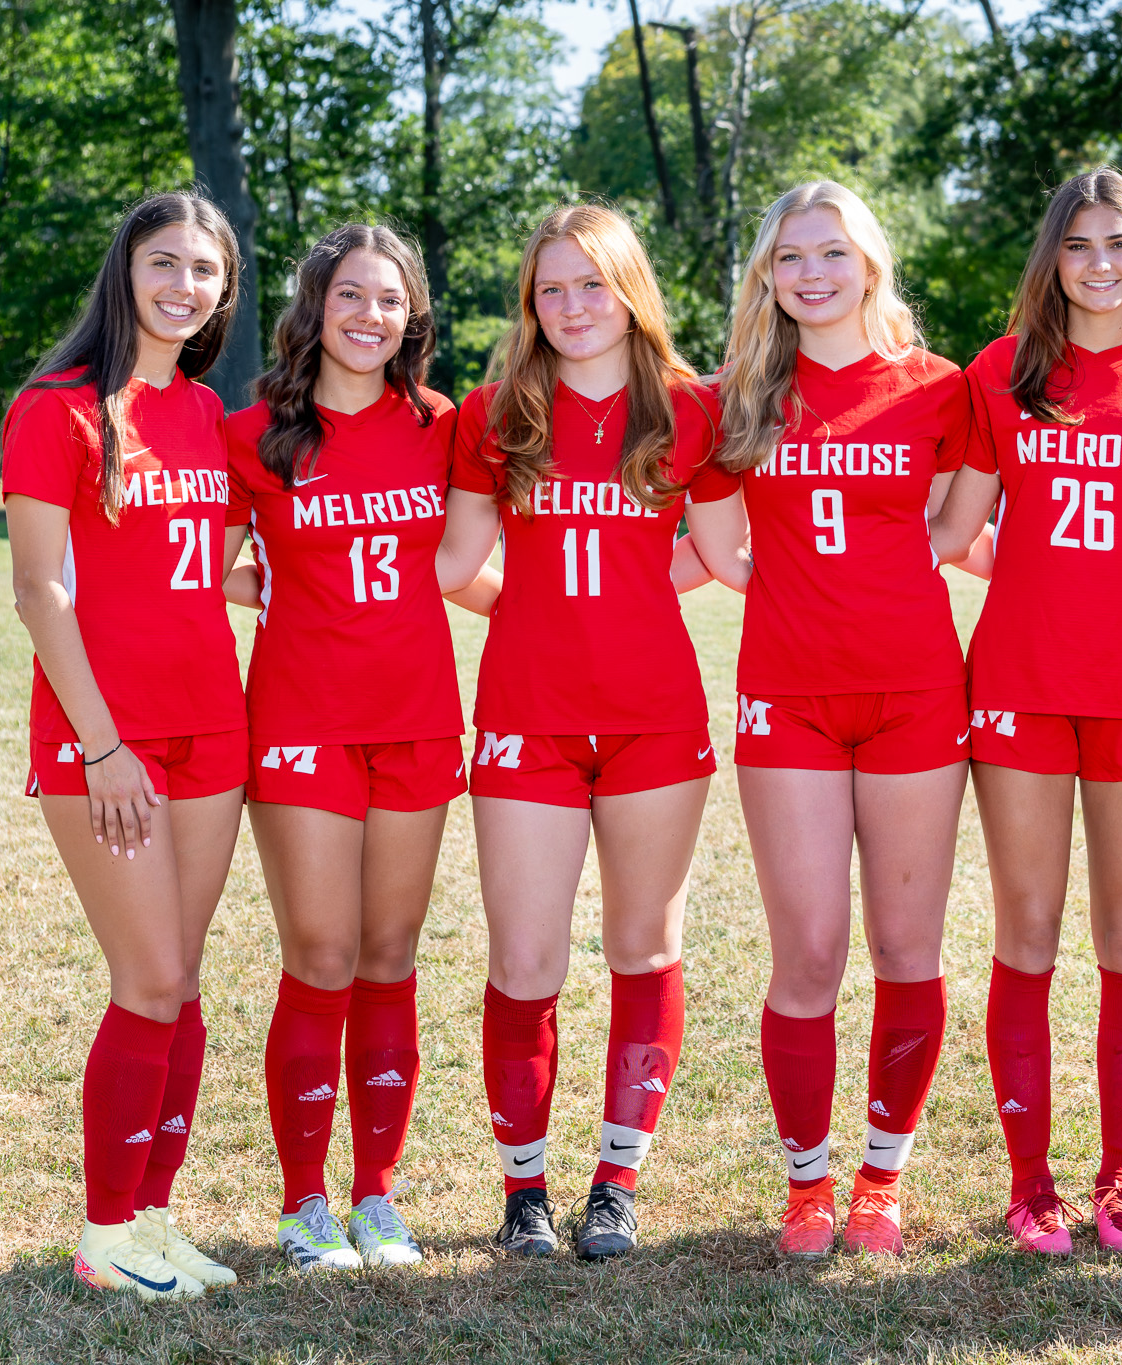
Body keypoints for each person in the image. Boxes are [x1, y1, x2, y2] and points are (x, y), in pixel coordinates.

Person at [684, 181, 973, 1259]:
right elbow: (720, 549)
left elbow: (956, 525)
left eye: (831, 253)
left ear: (869, 264)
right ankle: (808, 1182)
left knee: (905, 947)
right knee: (808, 951)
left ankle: (880, 1180)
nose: (811, 274)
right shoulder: (736, 399)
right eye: (789, 258)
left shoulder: (936, 387)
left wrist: (882, 582)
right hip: (789, 697)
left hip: (915, 694)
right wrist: (802, 590)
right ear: (767, 275)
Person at [929, 167, 1122, 1254]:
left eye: (1119, 243)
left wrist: (1119, 598)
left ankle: (1120, 1178)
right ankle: (1030, 1179)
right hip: (1019, 685)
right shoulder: (1002, 369)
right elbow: (956, 527)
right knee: (1028, 932)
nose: (1100, 263)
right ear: (1052, 256)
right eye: (1080, 243)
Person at [435, 204, 719, 1261]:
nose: (571, 305)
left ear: (629, 291)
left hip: (655, 717)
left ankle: (616, 1182)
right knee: (525, 958)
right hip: (526, 713)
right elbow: (455, 564)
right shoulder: (497, 411)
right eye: (550, 288)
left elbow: (723, 551)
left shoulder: (689, 409)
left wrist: (634, 595)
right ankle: (524, 1192)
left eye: (591, 283)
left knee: (644, 946)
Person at [2, 192, 247, 1300]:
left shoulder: (203, 412)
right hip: (105, 736)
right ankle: (104, 1236)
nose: (182, 286)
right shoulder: (56, 407)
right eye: (164, 263)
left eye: (204, 271)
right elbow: (39, 590)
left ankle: (153, 1217)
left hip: (213, 726)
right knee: (146, 977)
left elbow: (210, 563)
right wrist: (103, 748)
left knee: (181, 981)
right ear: (126, 270)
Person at [220, 223, 478, 1272]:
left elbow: (459, 562)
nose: (371, 316)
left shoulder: (441, 425)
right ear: (315, 309)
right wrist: (280, 588)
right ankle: (302, 1203)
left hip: (416, 718)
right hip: (302, 720)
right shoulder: (254, 433)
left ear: (412, 315)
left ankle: (376, 1193)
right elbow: (213, 564)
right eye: (351, 296)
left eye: (390, 299)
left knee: (389, 955)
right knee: (321, 956)